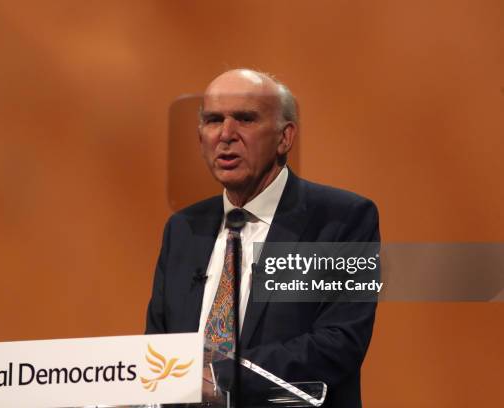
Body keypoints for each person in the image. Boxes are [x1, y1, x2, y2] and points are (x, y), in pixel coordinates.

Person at [146, 69, 380, 408]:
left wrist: (222, 377)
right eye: (213, 120)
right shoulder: (183, 228)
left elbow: (339, 344)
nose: (226, 134)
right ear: (200, 140)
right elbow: (158, 345)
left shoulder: (342, 218)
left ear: (284, 138)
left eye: (245, 119)